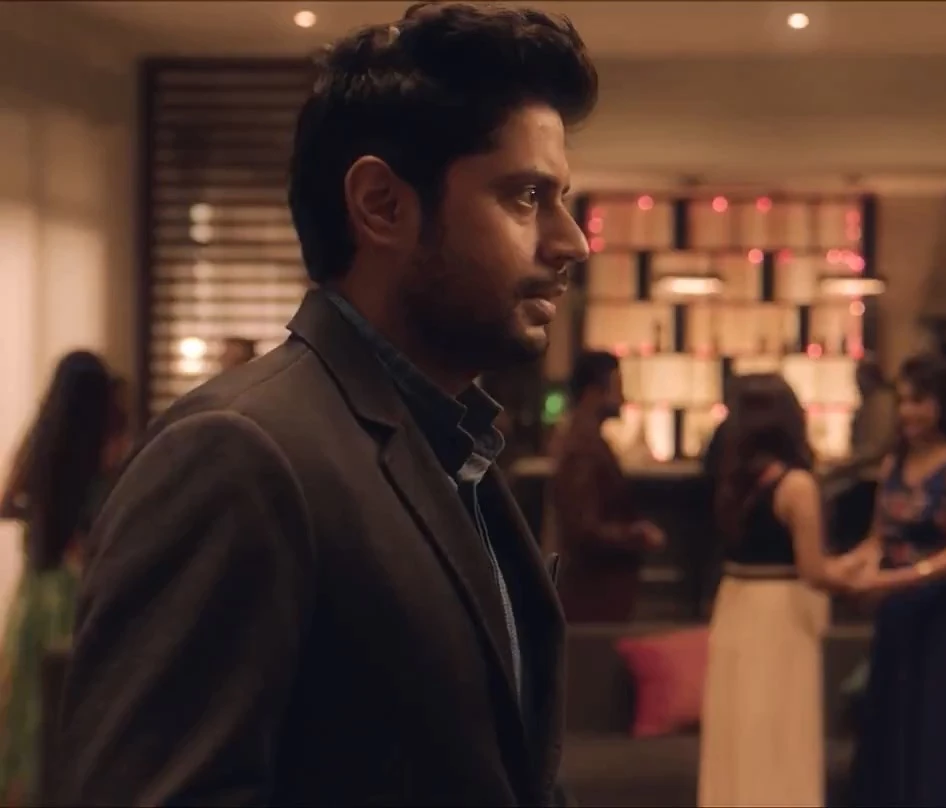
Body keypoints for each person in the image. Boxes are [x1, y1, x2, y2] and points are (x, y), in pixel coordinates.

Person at [49, 5, 597, 804]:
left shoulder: (455, 449)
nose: (572, 241)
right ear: (381, 204)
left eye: (560, 197)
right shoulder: (237, 454)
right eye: (525, 197)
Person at [843, 352, 946, 807]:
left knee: (935, 731)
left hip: (945, 616)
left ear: (943, 403)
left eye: (918, 401)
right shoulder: (894, 462)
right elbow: (878, 538)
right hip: (896, 615)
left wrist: (902, 579)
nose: (907, 412)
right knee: (889, 725)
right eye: (902, 401)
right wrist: (840, 570)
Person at [699, 374, 854, 806]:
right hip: (779, 615)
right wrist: (868, 577)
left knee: (738, 734)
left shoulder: (734, 483)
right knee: (781, 735)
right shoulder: (796, 485)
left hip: (736, 606)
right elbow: (814, 570)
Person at [0, 352, 127, 805]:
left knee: (28, 711)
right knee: (73, 710)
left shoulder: (40, 443)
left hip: (37, 593)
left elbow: (6, 501)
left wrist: (40, 516)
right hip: (79, 593)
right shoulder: (106, 449)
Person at [549, 350, 664, 623]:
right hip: (594, 593)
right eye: (616, 387)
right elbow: (584, 528)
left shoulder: (585, 440)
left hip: (598, 591)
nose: (622, 399)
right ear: (593, 392)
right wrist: (637, 535)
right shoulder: (583, 447)